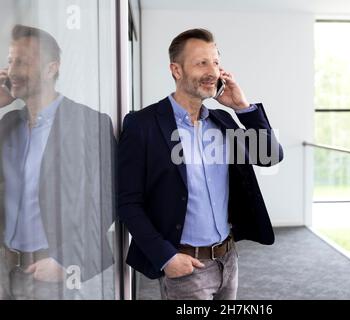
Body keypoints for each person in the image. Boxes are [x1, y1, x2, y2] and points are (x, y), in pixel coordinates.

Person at [118, 28, 283, 300]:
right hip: (185, 267)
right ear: (176, 70)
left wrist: (242, 107)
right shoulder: (142, 125)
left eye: (216, 62)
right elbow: (128, 202)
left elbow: (270, 156)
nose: (212, 71)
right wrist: (165, 257)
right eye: (201, 63)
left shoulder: (223, 121)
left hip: (227, 259)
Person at [0, 24, 115, 299]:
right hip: (6, 270)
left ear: (51, 69)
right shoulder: (8, 123)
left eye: (23, 62)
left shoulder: (88, 123)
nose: (12, 71)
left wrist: (66, 260)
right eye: (10, 61)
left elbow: (107, 200)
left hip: (53, 274)